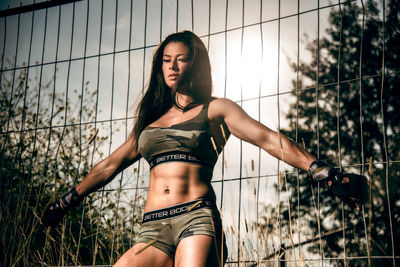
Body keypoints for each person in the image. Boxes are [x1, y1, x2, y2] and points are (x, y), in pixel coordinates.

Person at [42, 31, 367, 267]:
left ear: (194, 64)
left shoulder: (216, 110)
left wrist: (319, 168)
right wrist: (66, 201)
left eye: (181, 59)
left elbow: (268, 138)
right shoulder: (150, 122)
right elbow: (108, 166)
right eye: (166, 60)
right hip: (152, 228)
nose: (172, 66)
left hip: (195, 218)